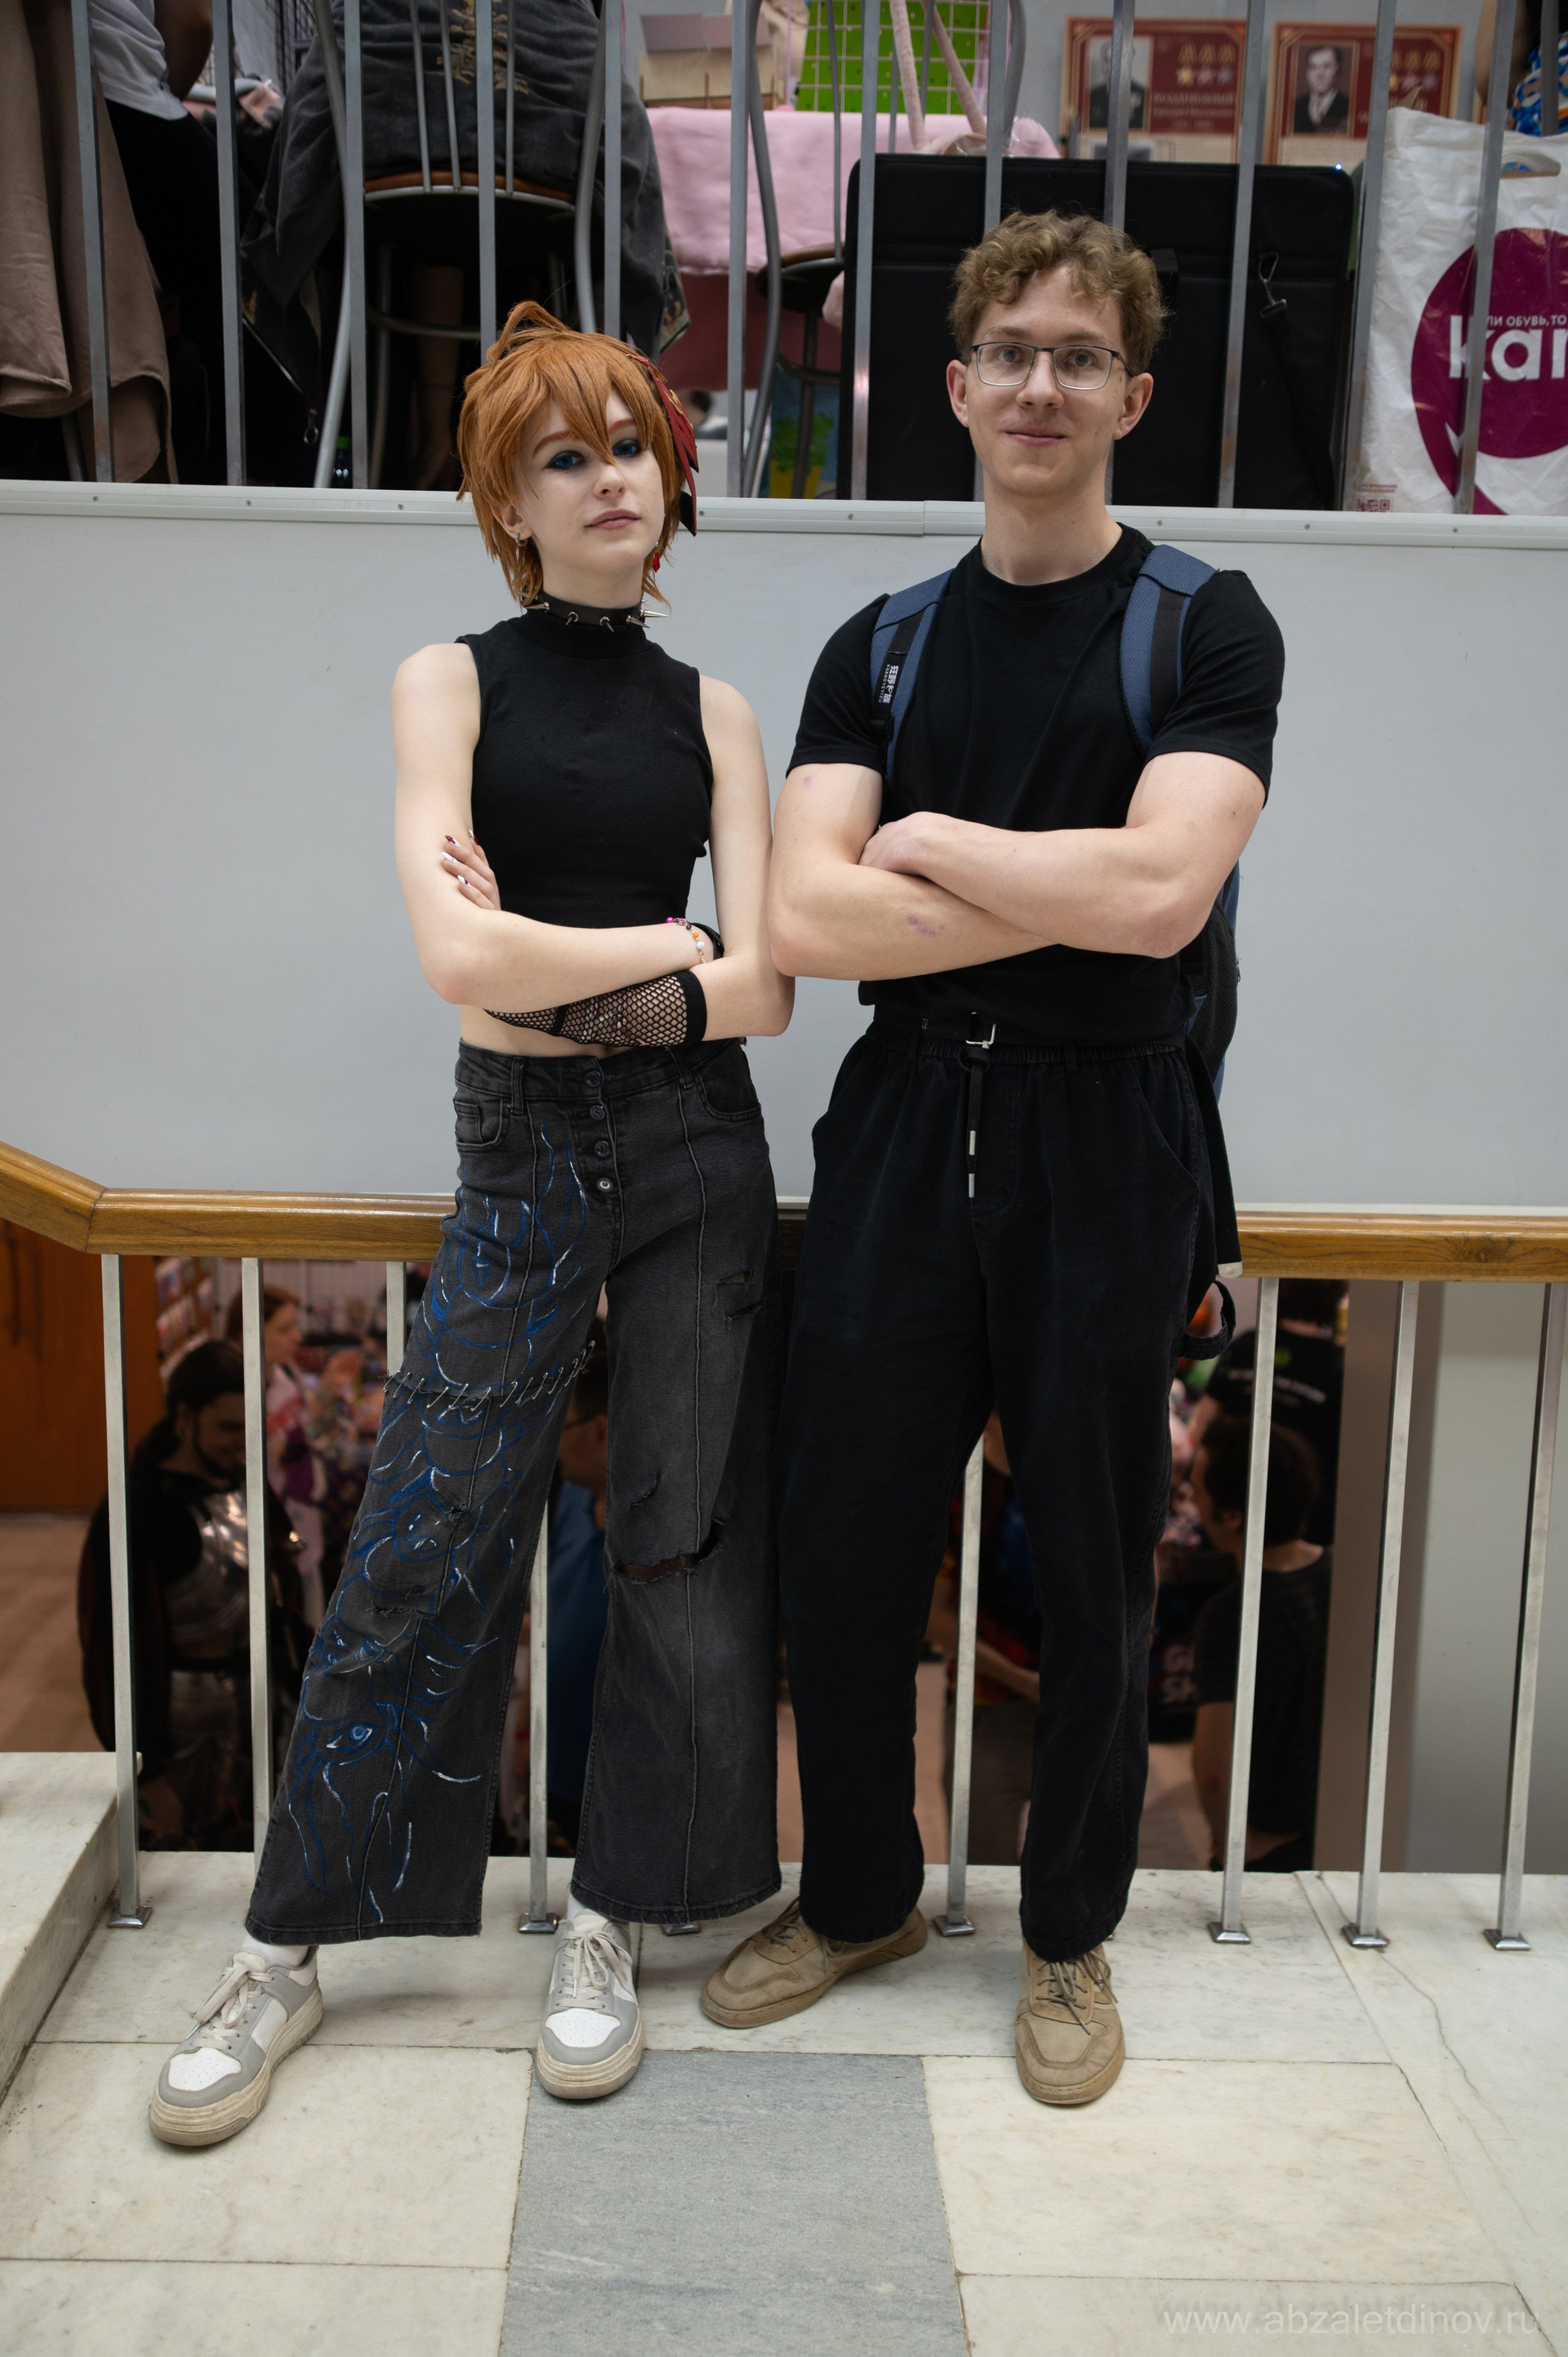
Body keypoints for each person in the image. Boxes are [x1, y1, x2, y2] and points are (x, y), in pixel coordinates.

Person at [148, 304, 792, 2146]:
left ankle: (612, 1917)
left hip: (697, 1153)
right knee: (425, 1538)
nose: (607, 481)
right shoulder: (450, 679)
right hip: (519, 1151)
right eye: (562, 458)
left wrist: (565, 966)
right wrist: (668, 944)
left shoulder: (717, 711)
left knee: (678, 1543)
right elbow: (457, 959)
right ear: (510, 504)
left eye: (629, 445)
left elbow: (763, 994)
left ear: (672, 475)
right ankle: (285, 1946)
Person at [702, 209, 1283, 2108]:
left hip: (1111, 1134)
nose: (1043, 383)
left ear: (1132, 394)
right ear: (955, 390)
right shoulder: (880, 645)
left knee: (1097, 1563)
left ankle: (1066, 1938)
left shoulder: (1202, 624)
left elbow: (1166, 893)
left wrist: (931, 845)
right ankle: (859, 1896)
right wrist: (1066, 889)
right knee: (846, 1545)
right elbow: (802, 919)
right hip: (903, 1119)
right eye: (1011, 353)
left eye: (1079, 355)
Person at [79, 1342, 308, 1850]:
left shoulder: (246, 1486)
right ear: (185, 1417)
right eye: (228, 1427)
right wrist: (146, 1772)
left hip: (258, 1715)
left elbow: (280, 1602)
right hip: (182, 1725)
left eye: (250, 1425)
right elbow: (110, 1658)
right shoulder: (138, 1510)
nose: (243, 1442)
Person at [1189, 1418, 1331, 1874]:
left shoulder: (1230, 1615)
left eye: (1198, 1493)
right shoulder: (1348, 1576)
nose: (1192, 1503)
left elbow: (1215, 1772)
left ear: (1231, 1515)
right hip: (1351, 1831)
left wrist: (1234, 1844)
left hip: (1272, 1846)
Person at [925, 1413, 1041, 1865]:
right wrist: (1023, 1680)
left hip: (1071, 1707)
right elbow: (935, 1618)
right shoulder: (956, 1492)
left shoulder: (1073, 1479)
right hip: (987, 1708)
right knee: (981, 1872)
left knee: (1071, 1875)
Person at [1194, 1279, 1346, 1544]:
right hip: (1303, 1528)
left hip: (1228, 1514)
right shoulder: (1337, 1367)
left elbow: (1200, 1429)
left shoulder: (1245, 1347)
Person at [1292, 46, 1351, 136]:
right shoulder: (1295, 106)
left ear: (1338, 69)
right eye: (1313, 67)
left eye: (1327, 66)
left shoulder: (1349, 106)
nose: (1319, 74)